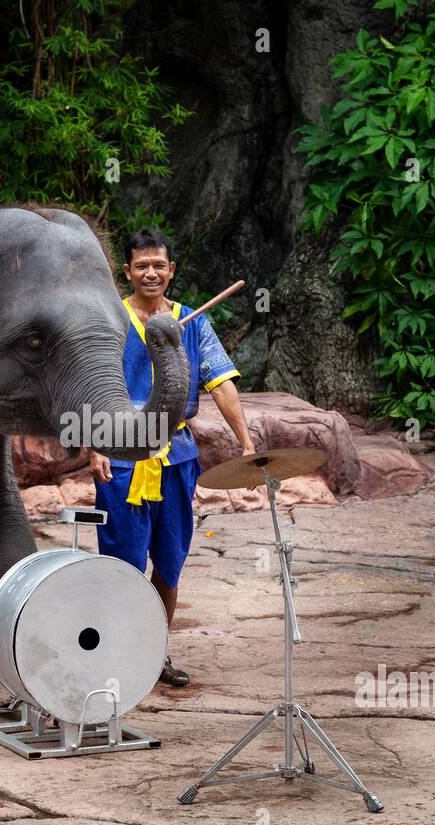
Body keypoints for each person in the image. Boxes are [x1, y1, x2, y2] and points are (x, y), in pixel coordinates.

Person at [89, 228, 254, 686]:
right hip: (121, 456)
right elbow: (91, 384)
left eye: (158, 265)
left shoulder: (192, 321)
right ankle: (114, 656)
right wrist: (94, 445)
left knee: (170, 559)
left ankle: (155, 653)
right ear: (127, 271)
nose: (151, 272)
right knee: (122, 563)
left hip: (176, 456)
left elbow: (221, 382)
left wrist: (248, 443)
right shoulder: (111, 319)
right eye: (141, 265)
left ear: (171, 270)